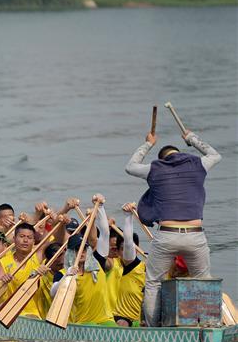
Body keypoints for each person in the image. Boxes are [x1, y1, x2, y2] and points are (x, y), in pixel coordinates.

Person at [125, 127, 222, 326]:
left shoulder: (155, 168)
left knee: (153, 283)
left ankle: (154, 331)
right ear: (179, 153)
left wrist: (148, 144)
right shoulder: (198, 164)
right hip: (195, 235)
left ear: (162, 158)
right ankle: (206, 326)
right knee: (202, 280)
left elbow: (130, 166)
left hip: (166, 235)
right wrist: (191, 138)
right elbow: (215, 155)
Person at [51, 195, 114, 325]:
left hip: (106, 321)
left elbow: (105, 234)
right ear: (69, 253)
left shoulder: (97, 264)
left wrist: (100, 207)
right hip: (82, 324)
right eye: (77, 249)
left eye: (84, 249)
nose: (82, 252)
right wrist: (68, 276)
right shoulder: (62, 273)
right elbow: (53, 293)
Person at [112, 203, 146, 326]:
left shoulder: (147, 268)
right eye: (122, 249)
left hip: (139, 320)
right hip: (119, 318)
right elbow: (128, 243)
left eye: (133, 248)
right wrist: (128, 216)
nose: (127, 252)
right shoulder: (112, 264)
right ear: (117, 251)